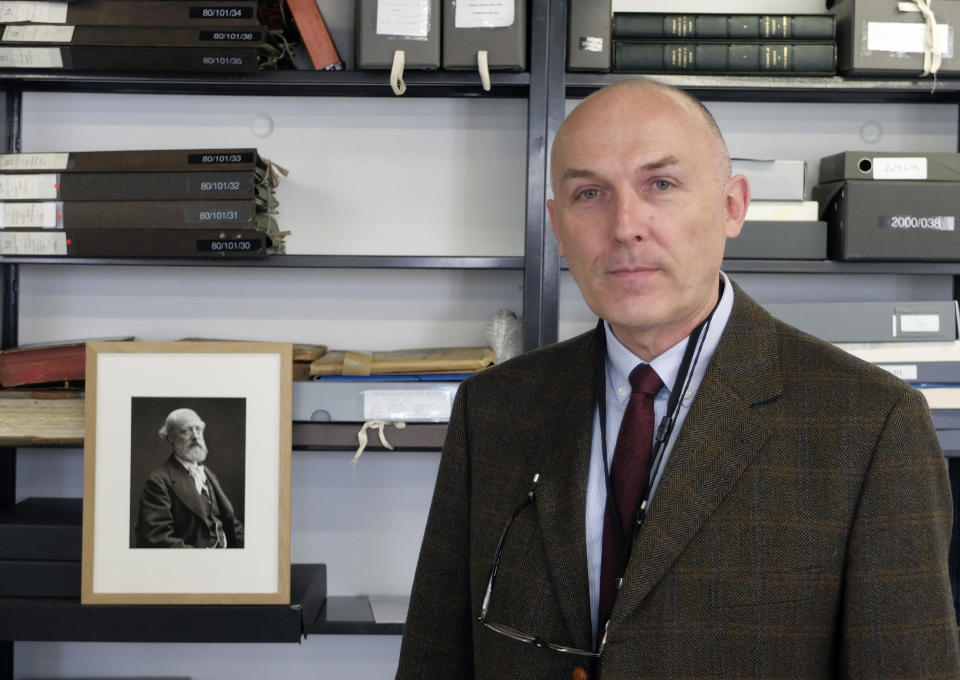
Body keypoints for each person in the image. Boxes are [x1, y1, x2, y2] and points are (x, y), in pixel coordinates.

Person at [396, 79, 960, 679]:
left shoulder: (870, 423)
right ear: (557, 229)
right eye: (590, 193)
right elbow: (437, 653)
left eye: (660, 185)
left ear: (732, 207)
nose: (625, 226)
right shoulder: (493, 408)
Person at [135, 407, 244, 549]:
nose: (195, 436)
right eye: (186, 430)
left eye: (198, 429)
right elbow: (158, 538)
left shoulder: (207, 473)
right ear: (171, 437)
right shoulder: (158, 482)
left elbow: (232, 524)